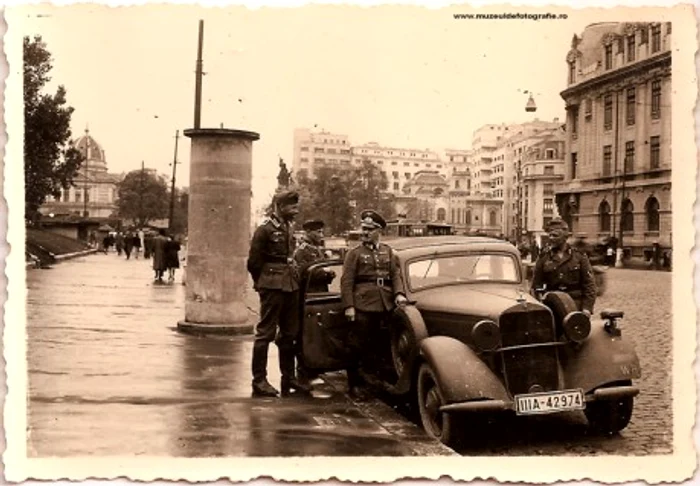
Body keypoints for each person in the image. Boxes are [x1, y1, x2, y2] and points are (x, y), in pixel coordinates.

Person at [247, 190, 312, 398]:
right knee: (265, 333)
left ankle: (289, 377)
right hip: (272, 285)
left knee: (289, 334)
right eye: (291, 207)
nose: (296, 210)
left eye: (296, 206)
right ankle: (259, 380)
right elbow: (254, 263)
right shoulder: (264, 230)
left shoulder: (288, 228)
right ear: (279, 206)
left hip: (290, 285)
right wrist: (263, 283)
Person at [340, 210, 408, 401]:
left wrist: (399, 294)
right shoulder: (355, 253)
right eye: (364, 228)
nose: (365, 233)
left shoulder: (387, 251)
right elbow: (347, 282)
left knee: (379, 346)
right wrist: (349, 306)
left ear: (379, 231)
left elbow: (395, 276)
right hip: (362, 305)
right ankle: (354, 385)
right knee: (357, 347)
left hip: (384, 305)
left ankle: (375, 384)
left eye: (370, 229)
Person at [292, 219, 336, 389]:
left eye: (321, 232)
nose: (321, 235)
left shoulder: (317, 249)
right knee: (307, 333)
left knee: (318, 331)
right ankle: (304, 370)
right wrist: (325, 274)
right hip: (308, 296)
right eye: (317, 232)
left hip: (320, 294)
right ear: (308, 232)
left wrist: (328, 274)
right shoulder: (302, 251)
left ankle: (314, 368)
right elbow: (303, 273)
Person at [530, 218, 597, 316]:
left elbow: (589, 285)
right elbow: (536, 285)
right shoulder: (544, 257)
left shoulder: (579, 256)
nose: (551, 238)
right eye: (550, 235)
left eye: (555, 235)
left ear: (565, 237)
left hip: (575, 305)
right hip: (551, 305)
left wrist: (587, 308)